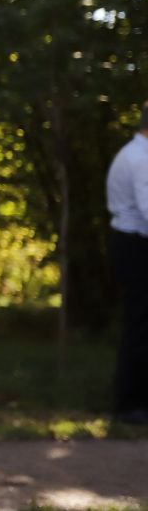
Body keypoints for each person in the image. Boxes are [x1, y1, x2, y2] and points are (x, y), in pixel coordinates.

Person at [107, 101, 148, 424]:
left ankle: (133, 401)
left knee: (140, 323)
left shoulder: (133, 152)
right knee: (140, 324)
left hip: (131, 242)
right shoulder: (141, 158)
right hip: (135, 246)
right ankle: (129, 405)